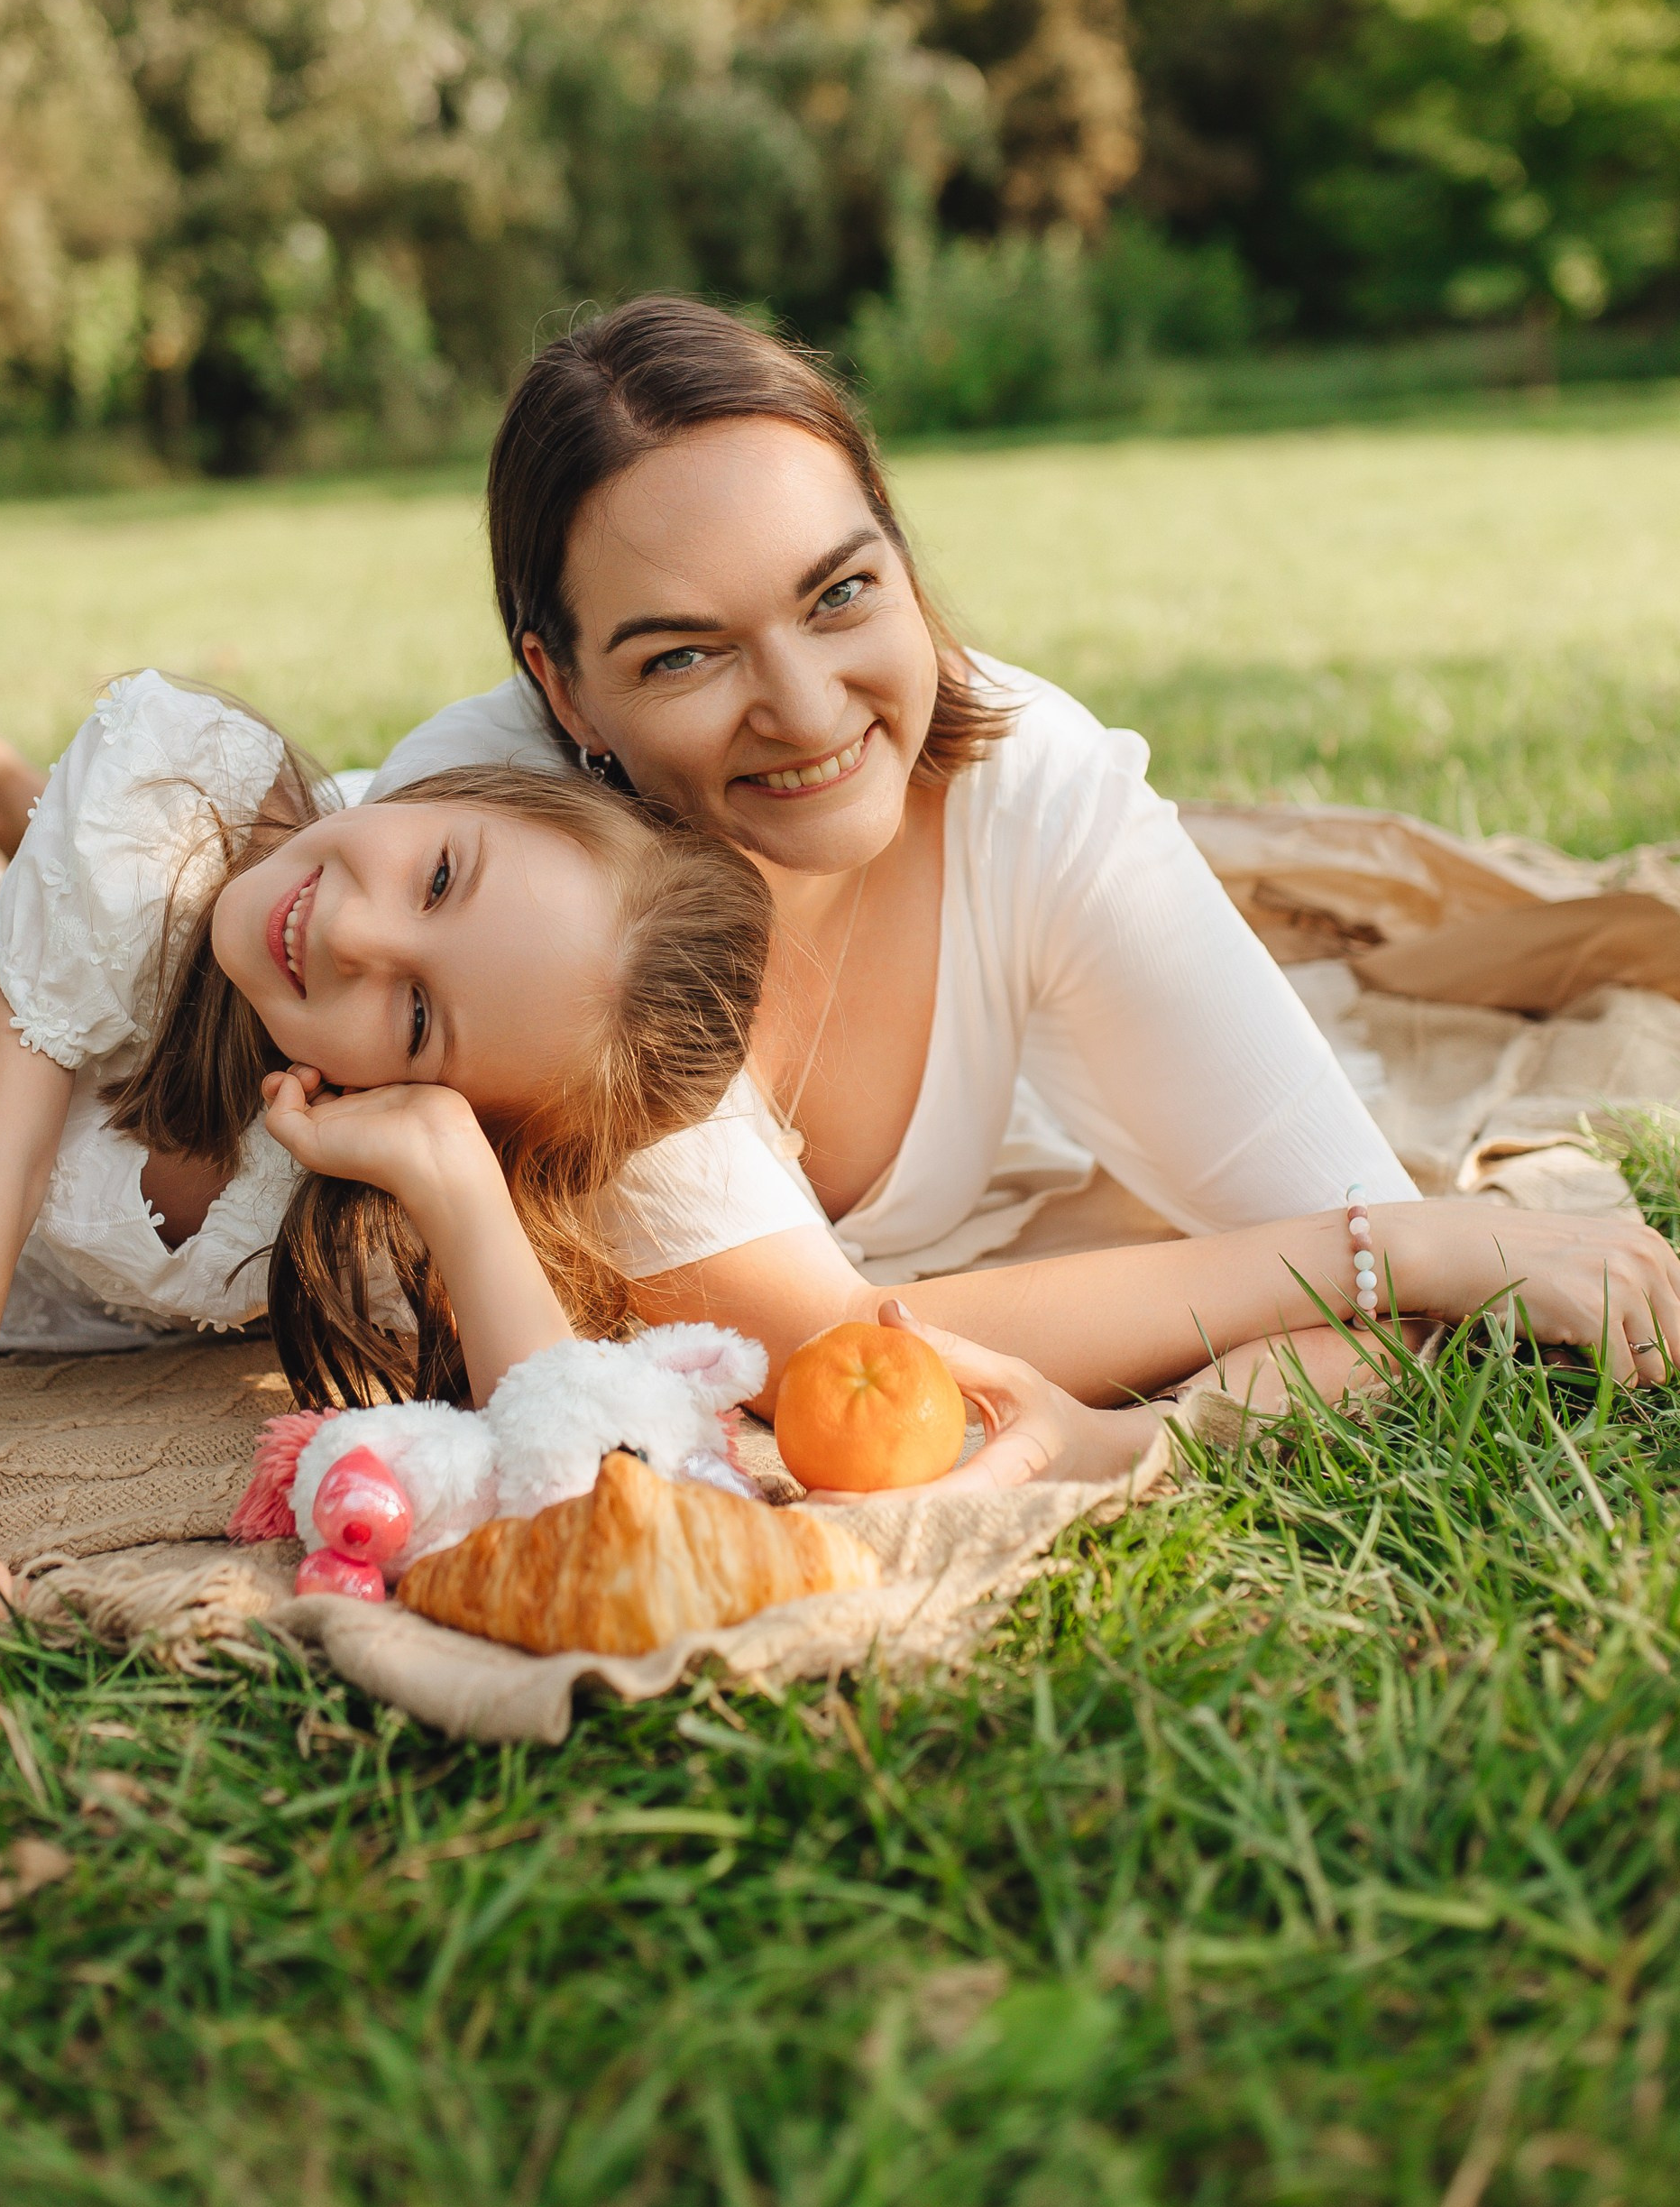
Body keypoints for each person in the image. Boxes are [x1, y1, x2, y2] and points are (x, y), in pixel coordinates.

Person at [353, 298, 1680, 1414]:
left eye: (841, 593)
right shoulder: (497, 879)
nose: (810, 712)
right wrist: (1401, 1249)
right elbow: (830, 1357)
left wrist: (1389, 1255)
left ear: (903, 561)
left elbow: (1363, 1239)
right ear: (564, 689)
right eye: (684, 654)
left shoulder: (1030, 779)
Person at [0, 670, 779, 1636]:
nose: (354, 936)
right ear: (467, 791)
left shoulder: (405, 1150)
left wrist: (458, 1187)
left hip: (76, 987)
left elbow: (559, 1459)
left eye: (415, 1017)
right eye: (440, 875)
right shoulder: (164, 807)